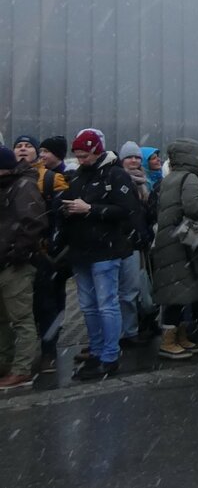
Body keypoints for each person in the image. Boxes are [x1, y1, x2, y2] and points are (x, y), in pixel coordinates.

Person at [63, 129, 138, 380]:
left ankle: (109, 355)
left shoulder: (115, 175)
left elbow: (126, 210)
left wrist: (90, 209)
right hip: (82, 250)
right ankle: (96, 351)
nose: (81, 159)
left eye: (84, 155)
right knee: (88, 306)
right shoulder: (78, 177)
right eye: (78, 155)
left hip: (106, 250)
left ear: (96, 151)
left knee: (106, 304)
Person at [152, 139, 198, 360]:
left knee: (177, 291)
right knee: (177, 294)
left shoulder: (170, 177)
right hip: (181, 244)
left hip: (168, 241)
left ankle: (179, 337)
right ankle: (169, 341)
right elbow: (194, 207)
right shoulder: (189, 178)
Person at [0, 145, 46, 390]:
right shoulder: (11, 185)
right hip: (5, 262)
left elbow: (33, 223)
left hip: (14, 265)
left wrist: (16, 254)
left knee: (21, 319)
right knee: (2, 320)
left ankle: (21, 370)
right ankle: (4, 363)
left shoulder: (22, 187)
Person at [33, 136, 70, 373]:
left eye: (46, 151)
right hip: (32, 252)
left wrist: (55, 246)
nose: (41, 155)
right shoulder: (30, 177)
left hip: (52, 254)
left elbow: (62, 218)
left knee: (50, 302)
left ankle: (50, 349)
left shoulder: (57, 179)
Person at [117, 142, 156, 345]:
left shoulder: (145, 182)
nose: (134, 161)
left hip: (141, 242)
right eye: (130, 157)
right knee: (129, 289)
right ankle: (128, 331)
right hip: (128, 242)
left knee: (140, 287)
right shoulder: (118, 181)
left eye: (137, 158)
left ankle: (138, 327)